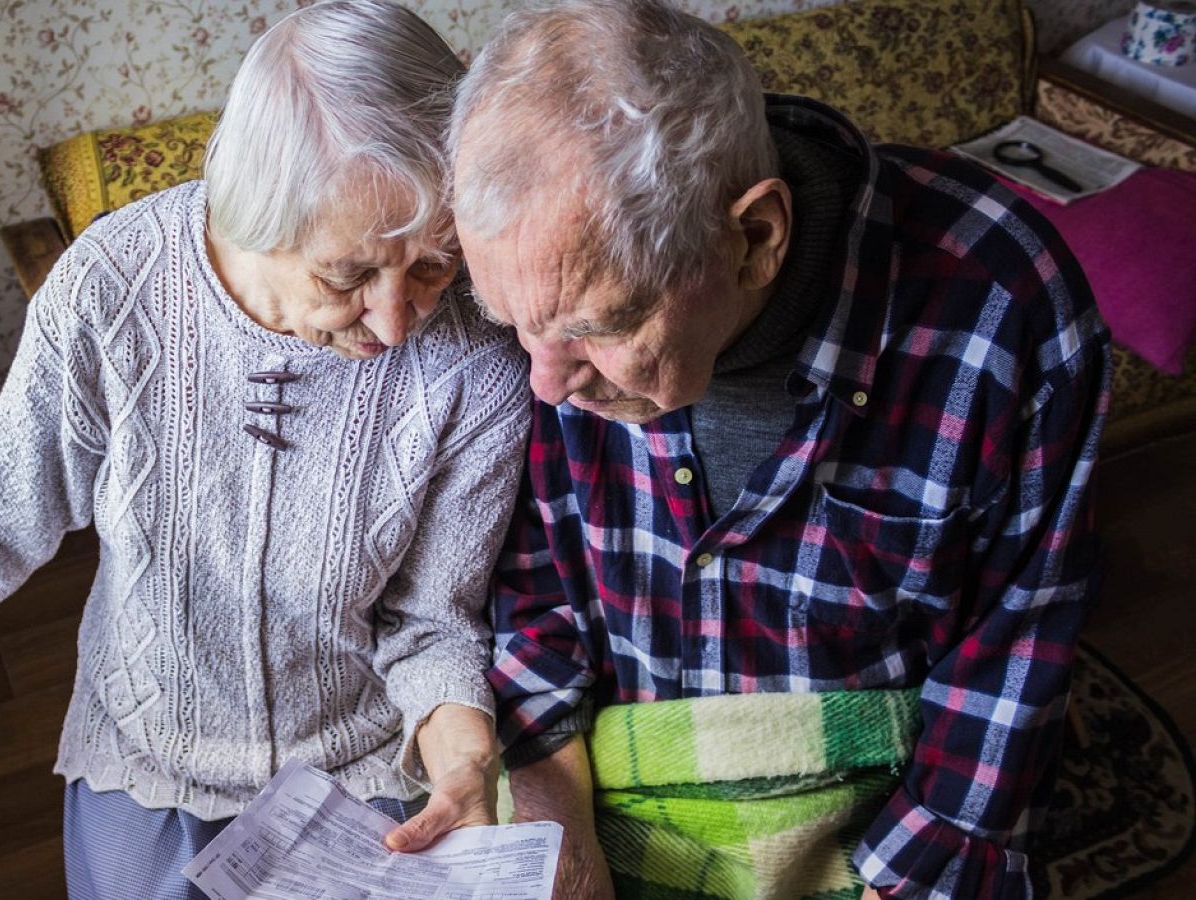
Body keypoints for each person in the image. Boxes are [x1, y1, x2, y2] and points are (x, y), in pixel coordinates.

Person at [0, 3, 529, 897]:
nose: (397, 317)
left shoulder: (477, 357)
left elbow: (431, 618)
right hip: (147, 755)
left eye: (433, 265)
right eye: (347, 276)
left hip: (359, 767)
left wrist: (463, 758)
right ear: (256, 214)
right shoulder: (112, 291)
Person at [450, 2, 1110, 898]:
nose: (544, 384)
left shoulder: (1003, 305)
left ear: (755, 238)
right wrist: (562, 841)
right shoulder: (546, 292)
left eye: (596, 330)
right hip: (616, 802)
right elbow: (532, 593)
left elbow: (1014, 654)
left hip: (881, 831)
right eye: (514, 329)